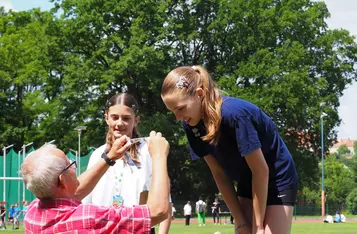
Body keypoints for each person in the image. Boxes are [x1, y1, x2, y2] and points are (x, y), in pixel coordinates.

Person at [161, 65, 298, 234]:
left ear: (199, 94)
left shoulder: (234, 115)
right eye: (172, 111)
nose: (178, 117)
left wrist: (259, 226)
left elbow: (261, 170)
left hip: (277, 177)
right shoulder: (190, 124)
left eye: (181, 108)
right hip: (247, 180)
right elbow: (219, 174)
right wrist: (240, 222)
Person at [21, 132, 170, 233]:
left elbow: (70, 194)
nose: (74, 166)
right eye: (70, 164)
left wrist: (109, 158)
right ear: (63, 180)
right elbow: (158, 211)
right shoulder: (89, 217)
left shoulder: (32, 213)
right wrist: (158, 156)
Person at [82, 93, 172, 234]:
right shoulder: (97, 155)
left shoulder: (150, 151)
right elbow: (85, 203)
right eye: (115, 117)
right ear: (106, 118)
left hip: (139, 229)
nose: (119, 123)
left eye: (126, 118)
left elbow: (165, 200)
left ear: (136, 120)